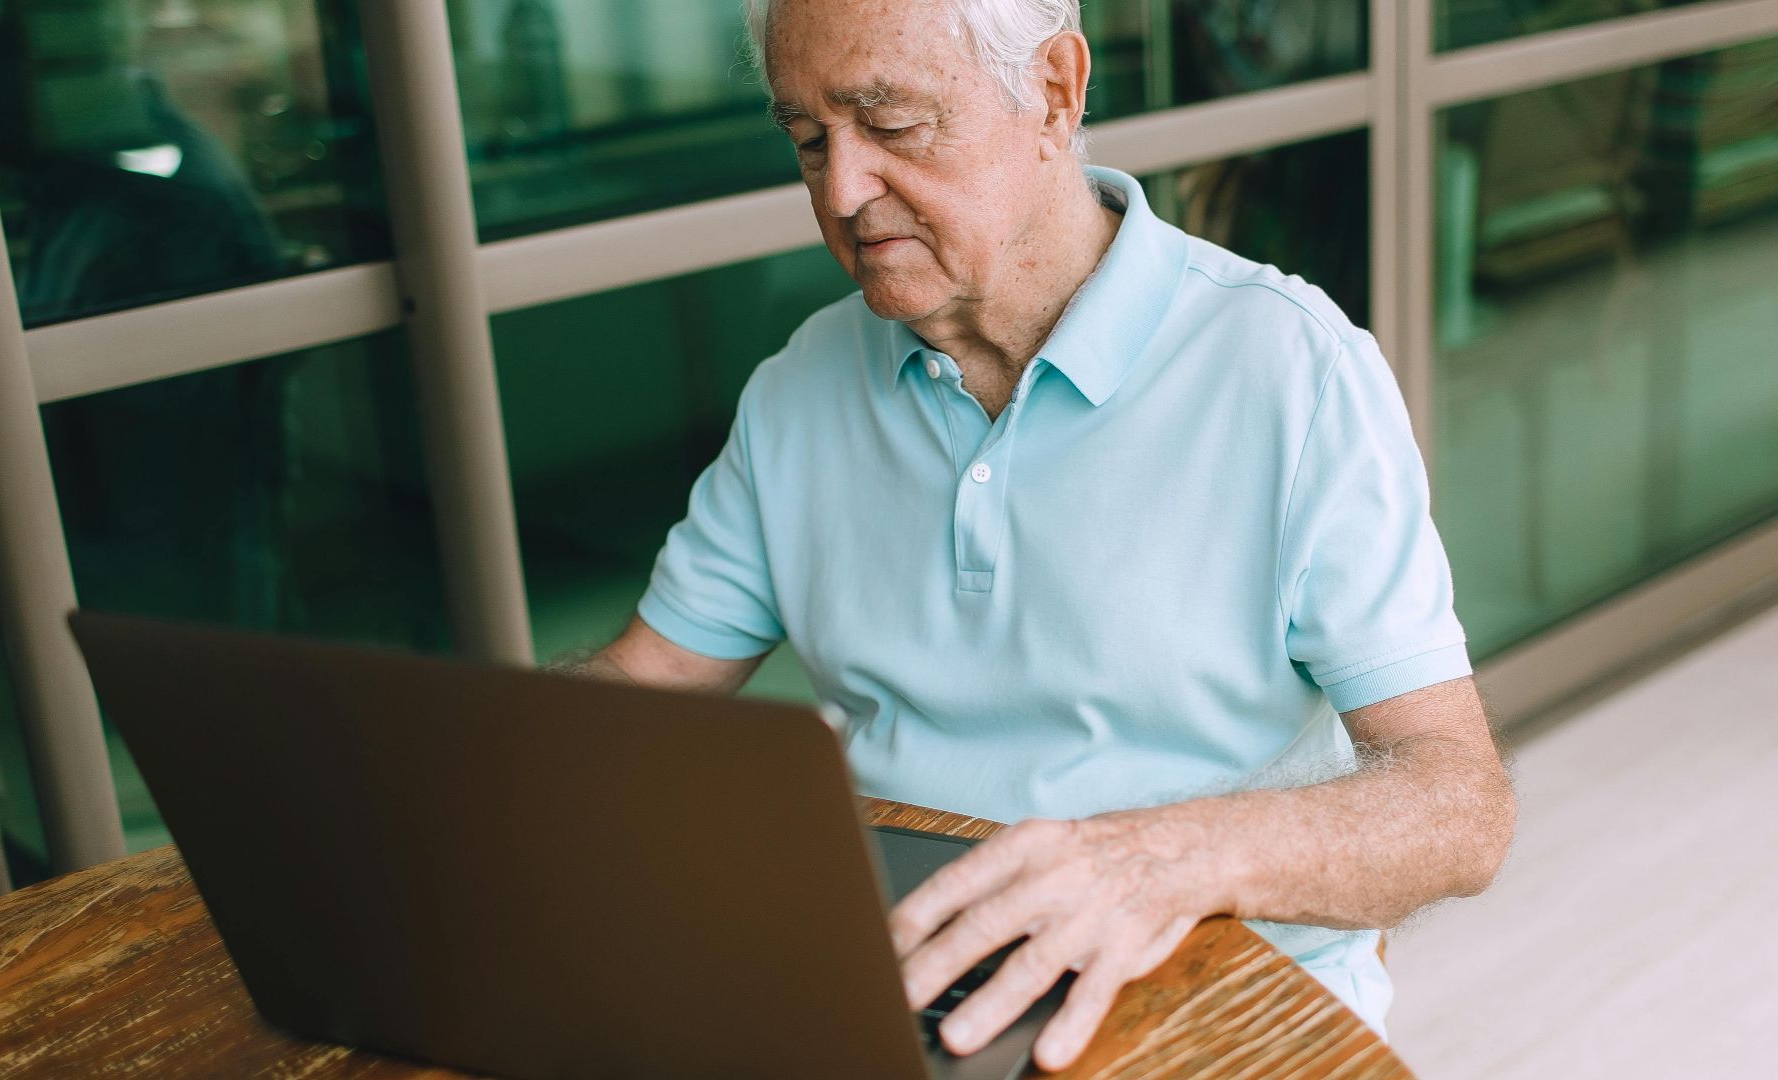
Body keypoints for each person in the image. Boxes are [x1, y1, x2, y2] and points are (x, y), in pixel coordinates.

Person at [562, 0, 1517, 1070]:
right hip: (893, 976)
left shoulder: (1291, 371)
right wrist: (489, 768)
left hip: (1205, 990)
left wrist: (1160, 859)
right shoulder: (797, 389)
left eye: (894, 122)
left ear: (1055, 91)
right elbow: (646, 686)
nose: (841, 191)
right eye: (808, 138)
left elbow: (1457, 804)